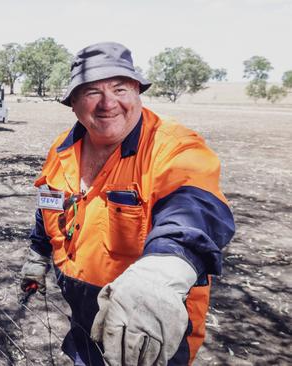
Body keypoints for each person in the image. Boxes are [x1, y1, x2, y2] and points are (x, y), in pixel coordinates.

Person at [20, 42, 235, 366]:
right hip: (83, 322)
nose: (108, 103)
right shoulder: (62, 148)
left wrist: (160, 274)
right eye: (92, 92)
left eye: (119, 88)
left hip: (147, 331)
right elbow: (50, 203)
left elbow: (194, 209)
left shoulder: (173, 147)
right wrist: (38, 253)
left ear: (137, 91)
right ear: (73, 102)